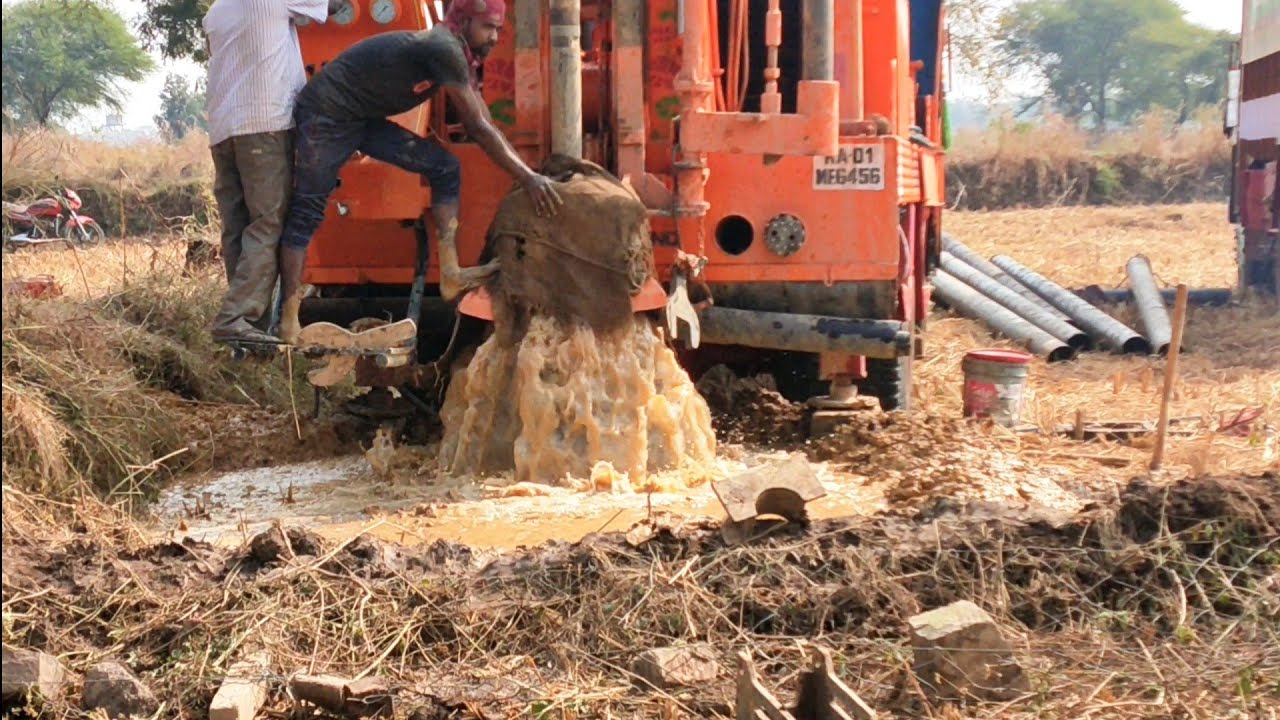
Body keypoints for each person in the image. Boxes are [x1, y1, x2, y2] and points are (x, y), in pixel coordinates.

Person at [274, 0, 563, 344]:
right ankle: (288, 321)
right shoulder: (444, 48)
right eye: (488, 27)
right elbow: (478, 127)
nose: (494, 37)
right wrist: (528, 177)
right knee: (306, 211)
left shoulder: (457, 54)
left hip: (360, 119)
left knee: (443, 167)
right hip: (326, 116)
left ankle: (451, 274)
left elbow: (484, 120)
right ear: (465, 21)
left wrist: (521, 168)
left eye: (499, 29)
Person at [202, 0, 342, 345]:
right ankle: (236, 318)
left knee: (238, 227)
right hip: (265, 123)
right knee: (267, 223)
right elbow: (335, 4)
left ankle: (250, 328)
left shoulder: (216, 10)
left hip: (223, 128)